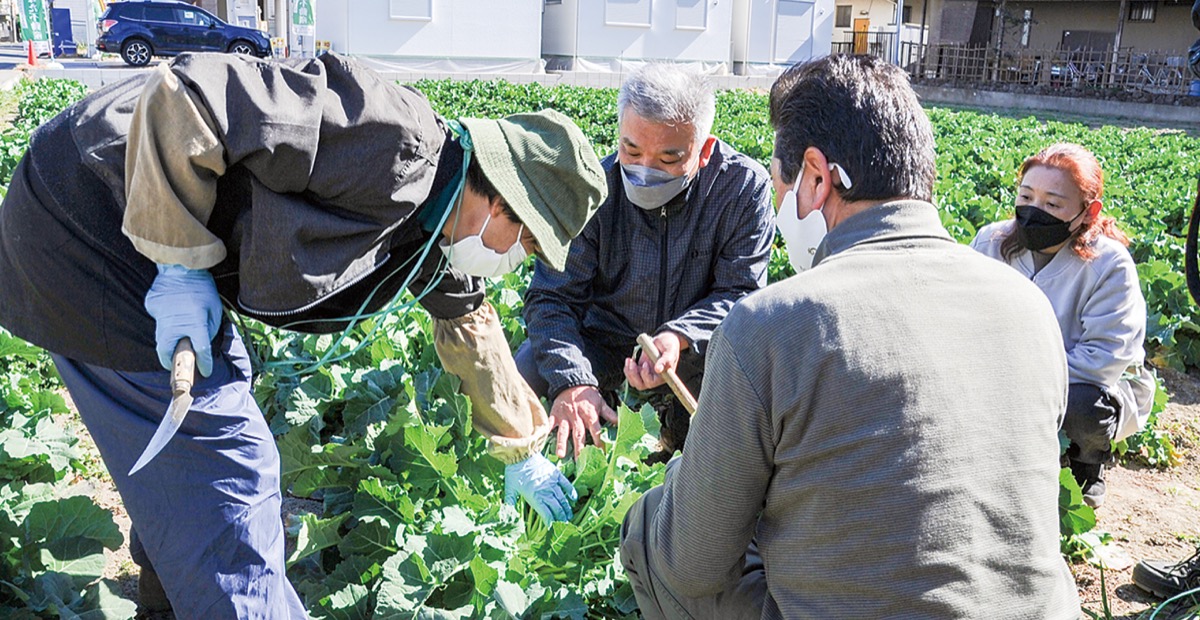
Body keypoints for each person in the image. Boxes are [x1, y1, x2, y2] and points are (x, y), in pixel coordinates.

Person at [0, 52, 606, 616]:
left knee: (201, 461)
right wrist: (179, 264)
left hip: (125, 233)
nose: (519, 259)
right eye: (527, 243)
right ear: (501, 204)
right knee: (233, 470)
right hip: (94, 210)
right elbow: (186, 97)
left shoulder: (438, 227)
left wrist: (521, 443)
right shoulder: (390, 136)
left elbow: (469, 324)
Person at [618, 54, 1081, 619]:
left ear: (816, 176)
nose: (780, 198)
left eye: (780, 179)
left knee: (654, 535)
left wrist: (682, 483)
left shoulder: (773, 322)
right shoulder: (1029, 306)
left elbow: (689, 564)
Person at [517, 63, 774, 459]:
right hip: (603, 343)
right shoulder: (594, 191)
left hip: (693, 352)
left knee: (739, 411)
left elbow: (740, 291)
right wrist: (572, 380)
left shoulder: (741, 190)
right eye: (631, 151)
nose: (645, 171)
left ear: (704, 151)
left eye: (669, 159)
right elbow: (552, 298)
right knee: (527, 373)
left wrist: (679, 335)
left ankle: (689, 448)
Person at [971, 143, 1155, 509]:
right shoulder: (990, 242)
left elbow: (1102, 359)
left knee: (1086, 407)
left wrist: (1019, 378)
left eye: (1053, 205)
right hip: (1001, 374)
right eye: (1026, 196)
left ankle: (1086, 464)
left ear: (1089, 212)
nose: (1034, 211)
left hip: (1084, 383)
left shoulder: (1109, 265)